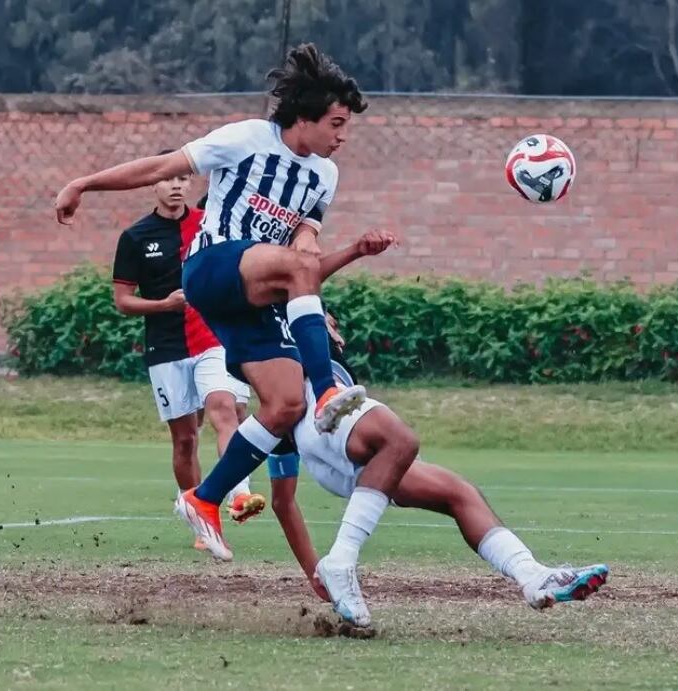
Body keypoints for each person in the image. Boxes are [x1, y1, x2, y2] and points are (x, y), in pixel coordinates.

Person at [56, 45, 411, 624]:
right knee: (308, 383)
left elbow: (304, 249)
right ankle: (329, 391)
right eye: (338, 124)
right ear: (308, 116)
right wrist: (82, 184)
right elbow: (159, 167)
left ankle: (205, 498)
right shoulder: (247, 137)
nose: (343, 137)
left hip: (256, 293)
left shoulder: (325, 174)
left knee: (281, 405)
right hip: (212, 267)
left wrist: (314, 292)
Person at [265, 319, 610, 628]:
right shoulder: (302, 347)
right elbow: (302, 270)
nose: (336, 328)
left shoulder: (287, 375)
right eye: (328, 320)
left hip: (327, 455)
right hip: (328, 427)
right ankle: (340, 562)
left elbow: (283, 500)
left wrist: (313, 573)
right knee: (399, 441)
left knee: (457, 492)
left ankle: (531, 575)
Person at [110, 160, 265, 546]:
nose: (175, 186)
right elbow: (123, 301)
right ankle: (202, 522)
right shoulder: (135, 237)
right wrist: (164, 304)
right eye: (167, 179)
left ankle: (239, 494)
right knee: (184, 440)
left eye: (182, 178)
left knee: (225, 410)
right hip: (166, 347)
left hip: (212, 337)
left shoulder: (209, 224)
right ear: (153, 186)